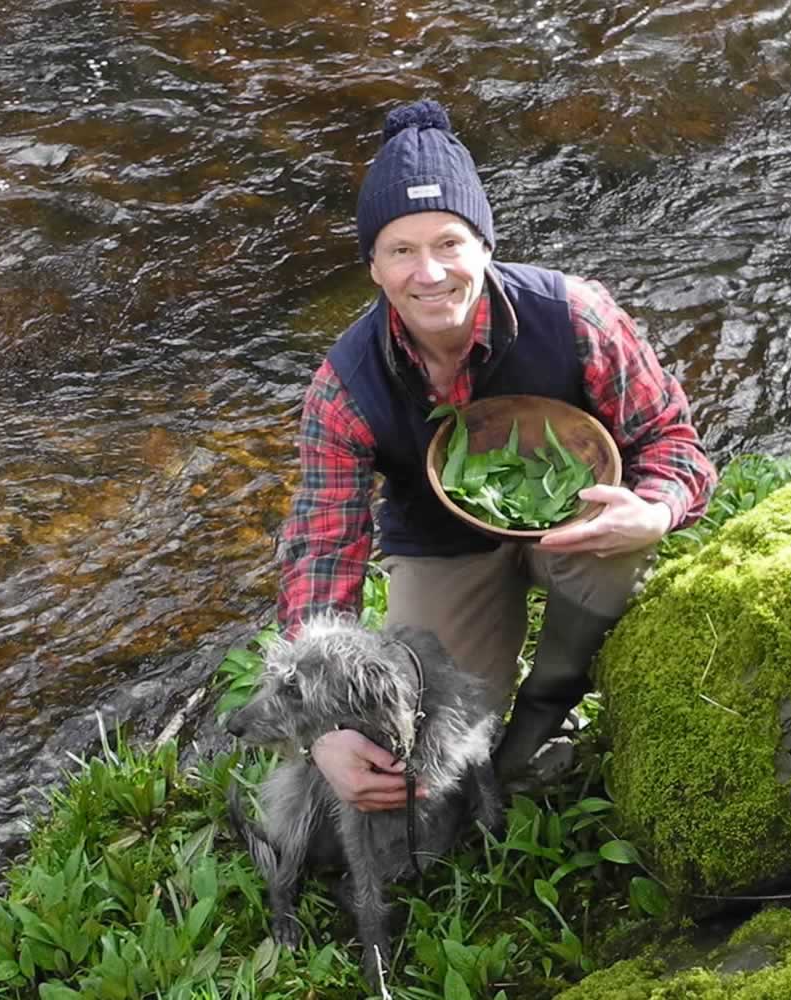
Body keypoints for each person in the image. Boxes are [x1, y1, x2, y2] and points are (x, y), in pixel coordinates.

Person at [275, 98, 716, 811]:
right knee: (423, 747)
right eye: (401, 250)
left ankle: (544, 719)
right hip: (440, 543)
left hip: (571, 524)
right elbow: (323, 552)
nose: (429, 273)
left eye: (449, 243)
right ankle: (470, 748)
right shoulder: (345, 387)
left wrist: (659, 509)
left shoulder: (577, 316)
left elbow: (671, 441)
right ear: (373, 268)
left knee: (614, 560)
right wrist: (322, 718)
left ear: (483, 244)